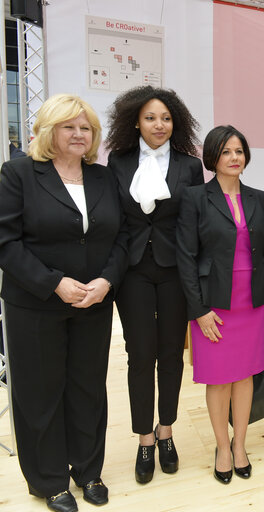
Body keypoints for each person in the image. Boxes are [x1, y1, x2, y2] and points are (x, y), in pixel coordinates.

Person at [0, 94, 126, 512]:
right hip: (36, 305)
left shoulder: (104, 178)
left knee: (88, 390)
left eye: (86, 127)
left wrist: (107, 280)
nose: (78, 134)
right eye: (69, 126)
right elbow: (6, 242)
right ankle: (50, 480)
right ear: (49, 130)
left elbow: (121, 237)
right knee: (41, 393)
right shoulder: (18, 173)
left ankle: (88, 471)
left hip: (93, 303)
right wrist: (54, 283)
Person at [105, 85, 204, 483]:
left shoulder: (189, 164)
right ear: (136, 122)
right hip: (133, 270)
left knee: (171, 355)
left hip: (175, 269)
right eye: (150, 118)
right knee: (140, 355)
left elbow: (194, 222)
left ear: (174, 122)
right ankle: (144, 437)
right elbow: (114, 219)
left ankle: (167, 431)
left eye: (165, 118)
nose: (159, 124)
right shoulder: (118, 161)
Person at [176, 125, 264, 483]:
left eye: (239, 151)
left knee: (246, 375)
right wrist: (198, 310)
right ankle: (221, 446)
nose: (234, 158)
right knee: (219, 379)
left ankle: (240, 444)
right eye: (226, 152)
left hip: (251, 300)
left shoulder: (260, 199)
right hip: (213, 302)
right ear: (213, 157)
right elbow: (185, 258)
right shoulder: (195, 198)